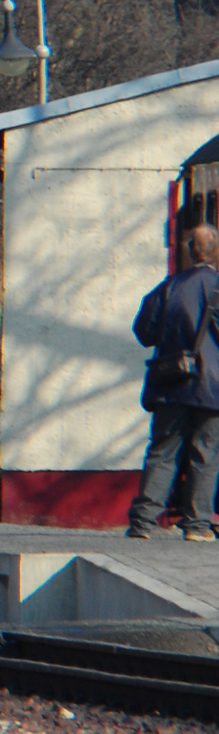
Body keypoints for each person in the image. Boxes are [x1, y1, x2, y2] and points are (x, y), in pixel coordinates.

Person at [127, 224, 219, 541]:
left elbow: (144, 333)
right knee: (205, 456)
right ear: (215, 251)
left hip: (172, 384)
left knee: (162, 453)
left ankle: (143, 523)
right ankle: (196, 526)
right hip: (213, 390)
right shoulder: (218, 287)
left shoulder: (167, 288)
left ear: (189, 251)